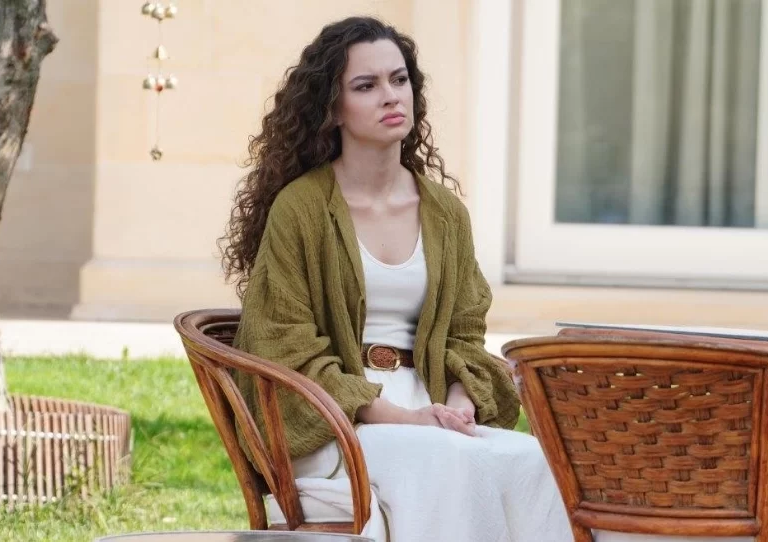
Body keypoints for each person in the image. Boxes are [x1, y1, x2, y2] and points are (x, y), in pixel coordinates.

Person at [220, 16, 572, 542]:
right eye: (366, 86)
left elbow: (464, 336)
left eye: (399, 79)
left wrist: (459, 406)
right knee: (447, 460)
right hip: (335, 422)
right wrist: (401, 418)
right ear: (333, 108)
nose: (390, 95)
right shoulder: (301, 209)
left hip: (430, 405)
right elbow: (285, 344)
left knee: (535, 462)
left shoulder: (445, 213)